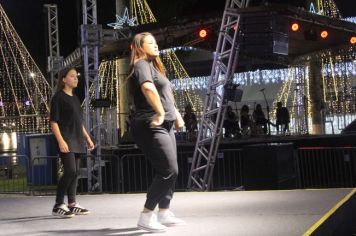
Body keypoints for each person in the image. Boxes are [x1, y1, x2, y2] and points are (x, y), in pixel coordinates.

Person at [127, 32, 186, 233]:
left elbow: (165, 93)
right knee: (169, 170)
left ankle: (164, 211)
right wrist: (161, 113)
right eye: (150, 43)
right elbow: (148, 89)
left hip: (165, 123)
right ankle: (146, 215)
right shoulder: (141, 64)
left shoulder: (154, 67)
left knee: (172, 169)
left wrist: (176, 115)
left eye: (155, 42)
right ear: (140, 47)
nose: (155, 45)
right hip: (151, 123)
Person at [50, 67, 95, 218]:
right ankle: (58, 205)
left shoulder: (75, 98)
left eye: (76, 76)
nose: (76, 78)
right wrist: (61, 140)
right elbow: (53, 122)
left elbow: (78, 121)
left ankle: (72, 203)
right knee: (70, 171)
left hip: (77, 139)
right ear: (64, 79)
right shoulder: (58, 97)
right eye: (72, 76)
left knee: (75, 174)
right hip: (66, 139)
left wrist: (87, 137)